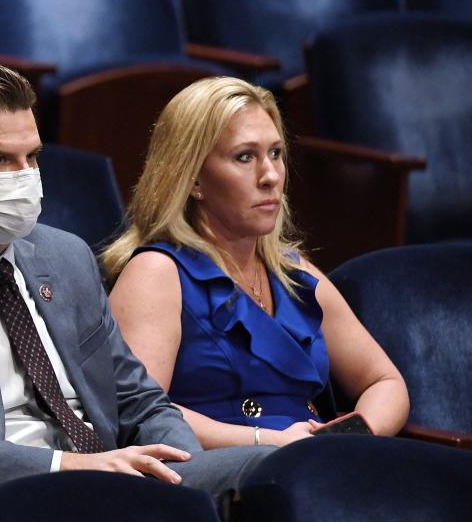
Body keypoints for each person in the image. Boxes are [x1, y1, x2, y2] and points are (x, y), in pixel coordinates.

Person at [0, 61, 273, 510]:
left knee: (284, 474)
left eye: (32, 157)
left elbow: (140, 399)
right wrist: (65, 467)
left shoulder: (66, 257)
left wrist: (182, 476)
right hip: (14, 502)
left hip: (119, 487)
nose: (24, 175)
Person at [101, 76, 410, 449]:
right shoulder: (156, 272)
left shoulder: (294, 272)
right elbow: (140, 414)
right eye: (244, 156)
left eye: (276, 153)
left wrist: (350, 441)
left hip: (315, 466)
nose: (270, 176)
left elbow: (386, 382)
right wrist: (268, 441)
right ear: (193, 178)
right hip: (222, 479)